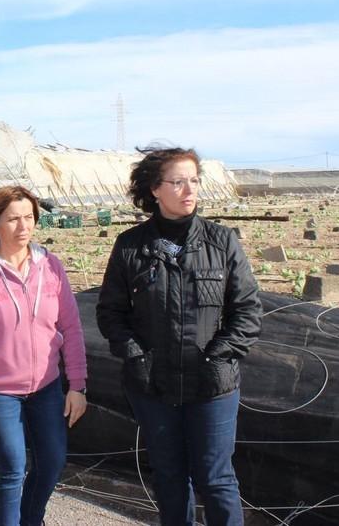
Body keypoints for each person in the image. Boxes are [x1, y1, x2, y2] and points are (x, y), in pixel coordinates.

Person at [96, 147, 261, 526]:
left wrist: (219, 355)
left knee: (216, 479)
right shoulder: (131, 246)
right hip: (154, 387)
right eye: (178, 181)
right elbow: (111, 313)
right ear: (156, 189)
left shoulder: (221, 242)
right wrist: (137, 356)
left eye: (194, 181)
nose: (190, 190)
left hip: (212, 386)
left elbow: (247, 310)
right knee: (170, 479)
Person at [0, 185, 87, 526]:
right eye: (13, 219)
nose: (23, 226)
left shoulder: (51, 267)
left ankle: (31, 519)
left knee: (52, 461)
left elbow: (71, 327)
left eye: (29, 218)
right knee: (11, 467)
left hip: (46, 387)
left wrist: (78, 385)